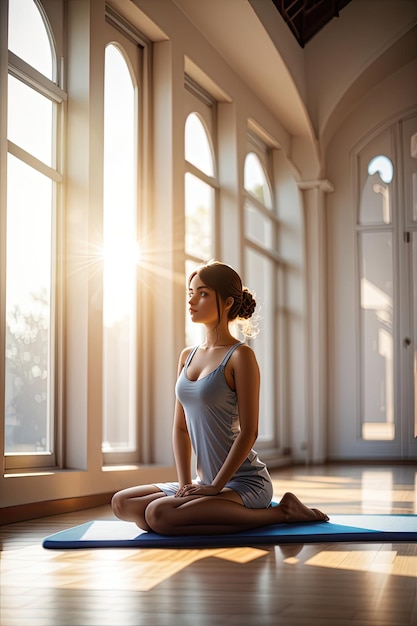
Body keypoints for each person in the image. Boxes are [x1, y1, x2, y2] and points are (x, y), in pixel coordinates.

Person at [111, 260, 328, 535]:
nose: (192, 300)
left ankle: (282, 512)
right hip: (202, 480)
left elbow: (249, 432)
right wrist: (182, 485)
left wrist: (215, 487)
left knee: (157, 514)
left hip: (243, 482)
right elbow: (180, 428)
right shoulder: (186, 356)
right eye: (191, 292)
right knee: (122, 503)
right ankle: (190, 511)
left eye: (202, 294)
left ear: (226, 302)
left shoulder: (240, 356)